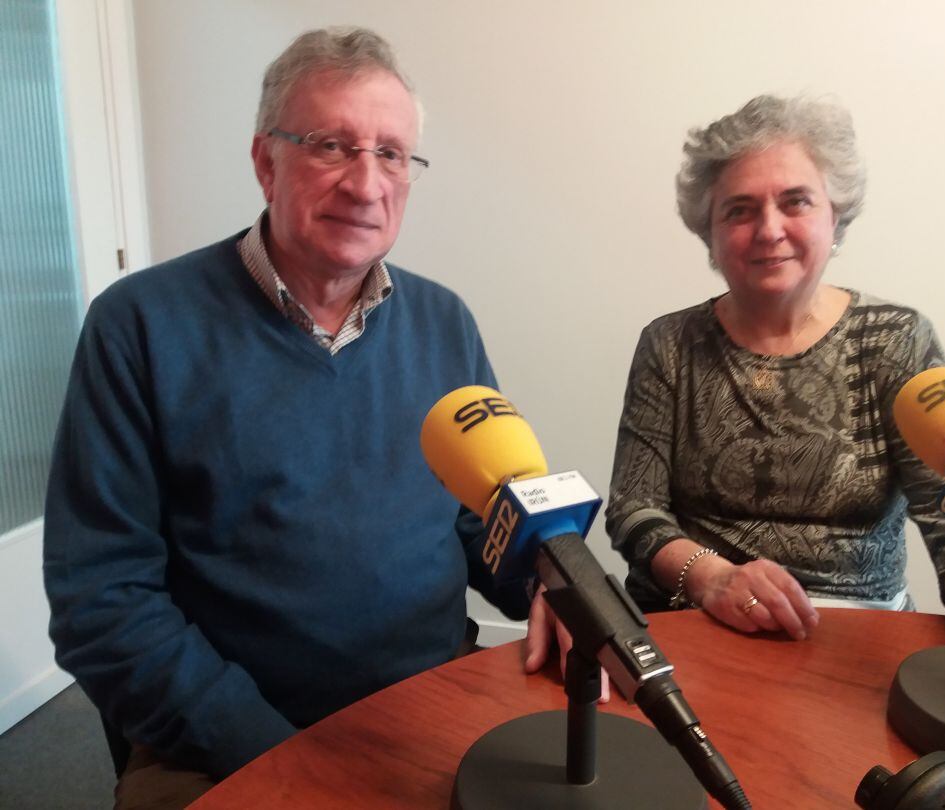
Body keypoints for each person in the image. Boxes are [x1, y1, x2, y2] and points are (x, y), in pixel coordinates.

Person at [43, 27, 563, 808]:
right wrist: (283, 758)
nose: (366, 183)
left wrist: (549, 579)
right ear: (265, 161)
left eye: (391, 154)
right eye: (330, 146)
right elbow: (101, 599)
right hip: (227, 739)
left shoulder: (443, 321)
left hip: (435, 702)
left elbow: (476, 518)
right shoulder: (140, 325)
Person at [606, 95, 945, 718]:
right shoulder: (670, 344)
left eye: (795, 201)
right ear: (711, 234)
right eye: (740, 210)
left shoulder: (896, 339)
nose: (769, 229)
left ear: (836, 216)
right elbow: (634, 510)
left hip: (860, 643)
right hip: (697, 628)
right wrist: (713, 577)